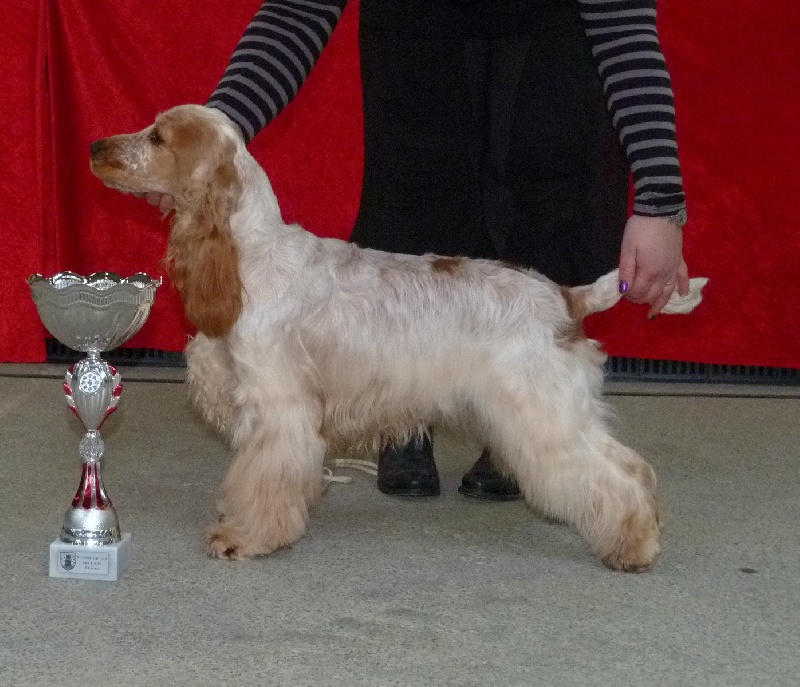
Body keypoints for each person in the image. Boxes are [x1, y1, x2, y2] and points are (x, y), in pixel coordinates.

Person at [141, 0, 690, 500]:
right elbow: (297, 10)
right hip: (417, 49)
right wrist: (202, 151)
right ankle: (403, 418)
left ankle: (520, 428)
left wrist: (661, 200)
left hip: (551, 52)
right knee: (413, 209)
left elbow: (622, 23)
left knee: (544, 208)